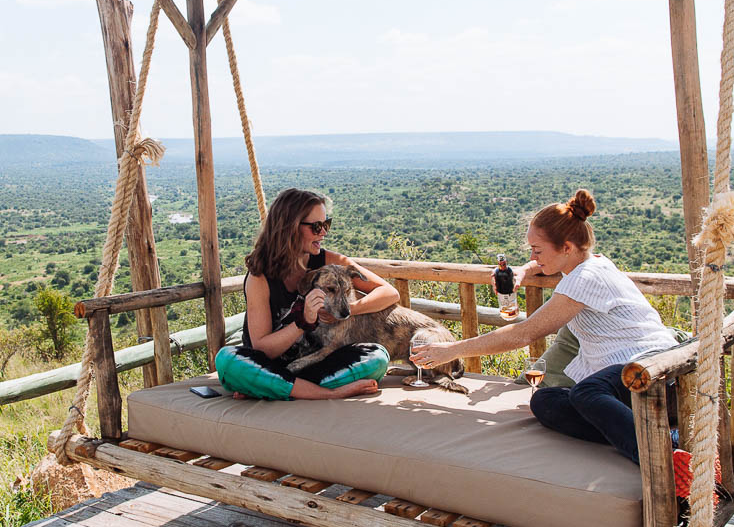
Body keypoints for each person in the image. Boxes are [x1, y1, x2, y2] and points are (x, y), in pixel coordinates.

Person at [413, 189, 706, 494]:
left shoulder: (585, 278)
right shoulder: (589, 263)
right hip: (625, 384)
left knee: (585, 393)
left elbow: (525, 333)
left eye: (536, 250)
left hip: (652, 371)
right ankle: (629, 431)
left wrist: (452, 349)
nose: (532, 256)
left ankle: (669, 456)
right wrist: (525, 271)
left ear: (566, 247)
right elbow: (543, 265)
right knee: (545, 401)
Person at [214, 188, 397, 400]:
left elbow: (389, 293)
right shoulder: (260, 277)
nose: (324, 232)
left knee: (378, 357)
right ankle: (329, 392)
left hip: (312, 365)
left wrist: (348, 309)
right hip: (269, 365)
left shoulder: (330, 262)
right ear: (290, 228)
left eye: (326, 224)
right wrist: (303, 322)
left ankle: (269, 387)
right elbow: (263, 349)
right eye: (316, 227)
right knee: (227, 361)